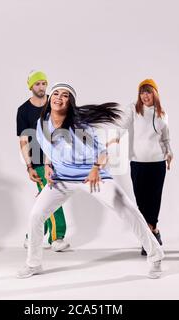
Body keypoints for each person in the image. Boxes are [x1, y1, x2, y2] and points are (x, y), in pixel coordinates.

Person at [17, 82, 164, 279]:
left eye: (65, 96)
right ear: (50, 97)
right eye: (56, 93)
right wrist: (48, 165)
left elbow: (103, 152)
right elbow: (48, 148)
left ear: (70, 103)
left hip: (91, 176)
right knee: (36, 215)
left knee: (128, 210)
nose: (59, 98)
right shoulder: (42, 122)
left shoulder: (80, 125)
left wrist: (95, 169)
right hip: (62, 179)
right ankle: (33, 263)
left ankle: (156, 256)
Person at [109, 79, 172, 256]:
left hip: (158, 162)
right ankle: (152, 234)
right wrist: (115, 137)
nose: (145, 96)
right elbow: (122, 125)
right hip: (138, 162)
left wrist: (169, 153)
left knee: (154, 199)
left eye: (148, 92)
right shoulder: (134, 110)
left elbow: (166, 138)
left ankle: (150, 235)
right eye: (142, 92)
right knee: (141, 201)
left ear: (155, 94)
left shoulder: (162, 114)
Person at [16, 71, 69, 252]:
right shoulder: (23, 110)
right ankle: (57, 237)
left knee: (46, 198)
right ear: (30, 86)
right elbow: (23, 139)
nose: (41, 87)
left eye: (44, 83)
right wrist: (28, 166)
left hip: (59, 158)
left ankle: (31, 237)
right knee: (52, 196)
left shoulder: (54, 103)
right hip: (38, 161)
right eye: (37, 84)